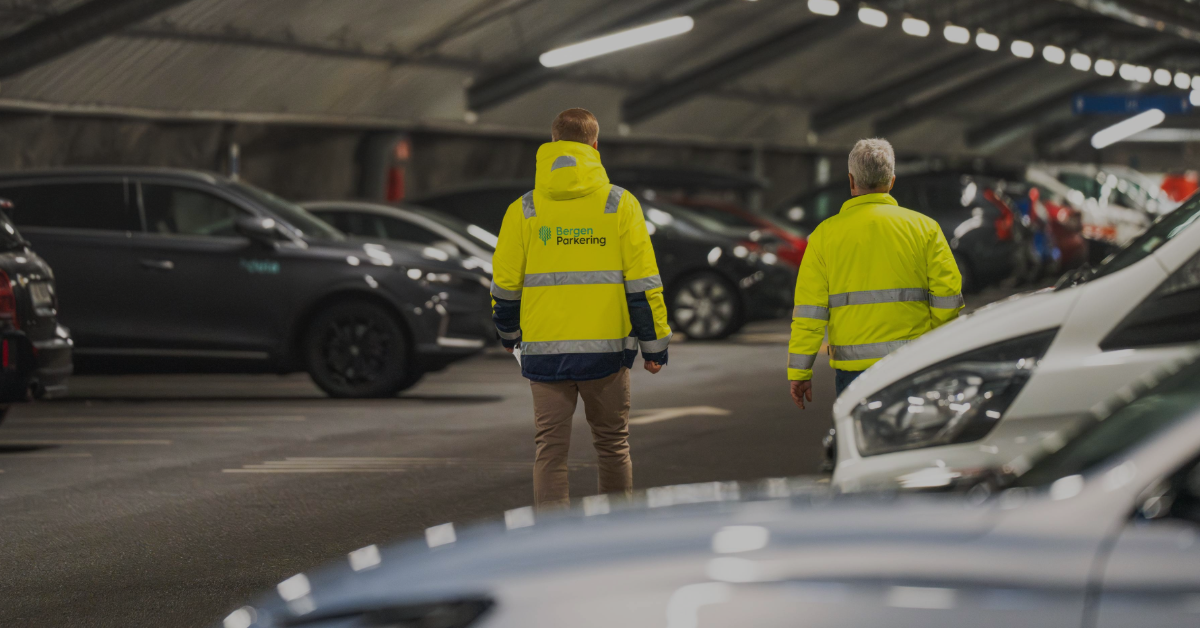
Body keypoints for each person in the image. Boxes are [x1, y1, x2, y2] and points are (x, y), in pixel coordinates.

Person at [491, 108, 671, 509]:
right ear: (595, 145)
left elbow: (505, 285)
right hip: (607, 354)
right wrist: (654, 347)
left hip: (544, 354)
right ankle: (615, 535)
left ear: (553, 145)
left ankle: (553, 545)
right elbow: (642, 283)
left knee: (550, 451)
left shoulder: (524, 209)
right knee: (612, 445)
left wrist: (508, 335)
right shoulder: (619, 204)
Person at [788, 138, 963, 409]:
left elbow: (809, 313)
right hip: (911, 363)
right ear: (891, 181)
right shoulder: (925, 228)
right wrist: (936, 350)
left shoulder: (824, 236)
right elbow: (947, 296)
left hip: (853, 372)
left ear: (851, 180)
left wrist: (800, 371)